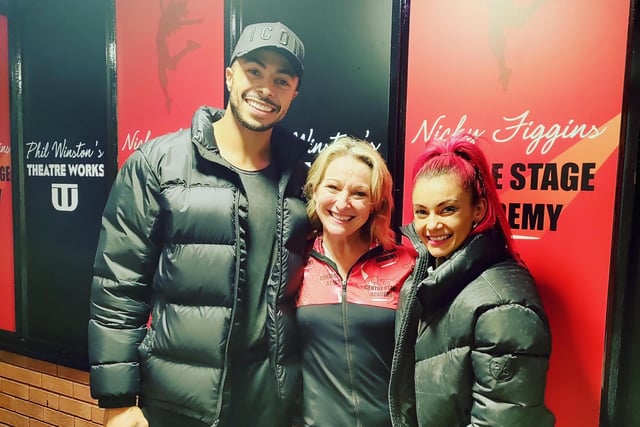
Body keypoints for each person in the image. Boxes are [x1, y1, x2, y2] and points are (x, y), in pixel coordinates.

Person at [88, 22, 310, 427]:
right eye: (254, 71)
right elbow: (119, 285)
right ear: (229, 75)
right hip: (177, 402)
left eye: (281, 80)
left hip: (270, 405)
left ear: (294, 93)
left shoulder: (301, 179)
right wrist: (118, 400)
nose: (265, 88)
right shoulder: (159, 163)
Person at [388, 134, 555, 426]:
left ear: (478, 209)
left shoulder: (504, 303)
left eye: (447, 209)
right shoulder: (431, 274)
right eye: (421, 212)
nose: (431, 225)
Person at [296, 136, 416, 426]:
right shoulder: (293, 260)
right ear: (314, 190)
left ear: (376, 203)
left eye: (359, 193)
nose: (342, 203)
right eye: (333, 187)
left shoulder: (407, 264)